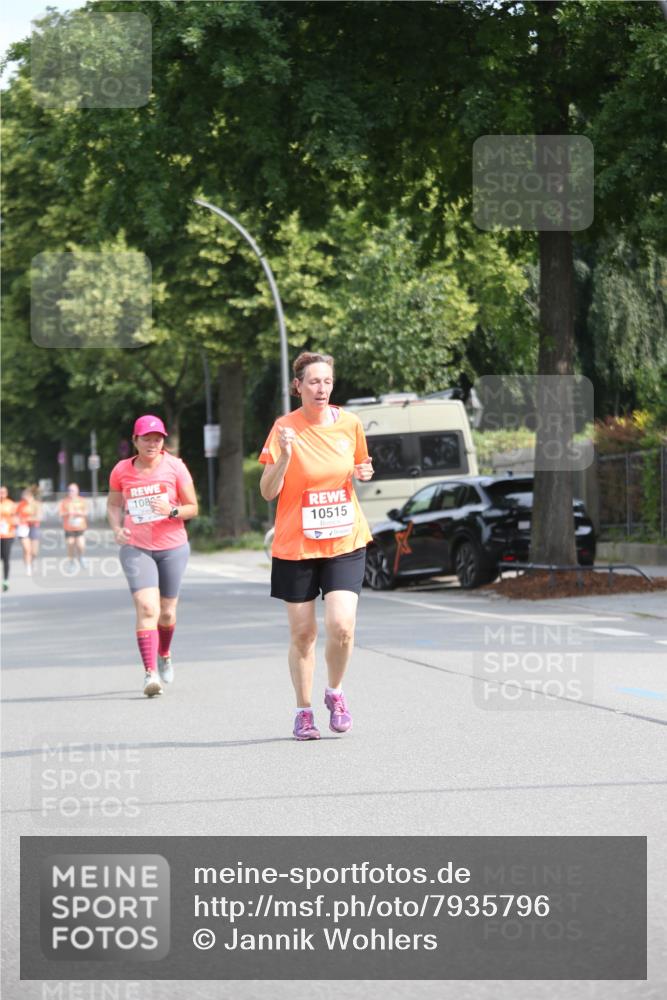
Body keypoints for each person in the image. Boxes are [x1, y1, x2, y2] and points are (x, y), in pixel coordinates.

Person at [259, 351, 374, 740]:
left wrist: (364, 471)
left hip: (344, 538)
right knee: (304, 634)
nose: (320, 388)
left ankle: (335, 692)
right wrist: (286, 455)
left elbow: (360, 466)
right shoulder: (283, 429)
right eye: (313, 381)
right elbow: (267, 491)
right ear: (298, 386)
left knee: (342, 626)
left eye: (326, 381)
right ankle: (303, 710)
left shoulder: (351, 424)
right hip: (296, 545)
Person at [107, 415, 198, 698]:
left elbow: (192, 508)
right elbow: (112, 505)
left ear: (163, 441)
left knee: (167, 612)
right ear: (135, 441)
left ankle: (165, 652)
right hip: (136, 547)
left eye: (157, 438)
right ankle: (150, 673)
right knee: (148, 609)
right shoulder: (121, 470)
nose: (152, 443)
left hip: (172, 546)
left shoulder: (176, 467)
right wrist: (116, 529)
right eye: (146, 438)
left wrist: (170, 510)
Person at [59, 483, 89, 567]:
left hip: (80, 526)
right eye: (69, 490)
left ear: (77, 491)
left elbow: (86, 512)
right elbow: (60, 513)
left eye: (72, 490)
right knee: (70, 543)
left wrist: (79, 513)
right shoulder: (64, 501)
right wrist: (68, 513)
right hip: (68, 527)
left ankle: (81, 557)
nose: (70, 492)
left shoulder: (82, 500)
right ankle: (71, 561)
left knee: (81, 544)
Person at [16, 487, 42, 576]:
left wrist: (27, 518)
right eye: (23, 495)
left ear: (30, 495)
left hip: (34, 527)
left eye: (26, 495)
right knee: (27, 549)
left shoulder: (36, 504)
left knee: (34, 552)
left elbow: (39, 517)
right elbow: (16, 516)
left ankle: (32, 561)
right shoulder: (20, 505)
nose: (24, 497)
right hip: (23, 527)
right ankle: (28, 567)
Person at [0, 486, 18, 592]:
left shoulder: (11, 504)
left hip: (7, 535)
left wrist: (12, 523)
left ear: (6, 493)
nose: (2, 494)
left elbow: (16, 518)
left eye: (3, 492)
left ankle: (6, 580)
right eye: (0, 492)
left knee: (5, 558)